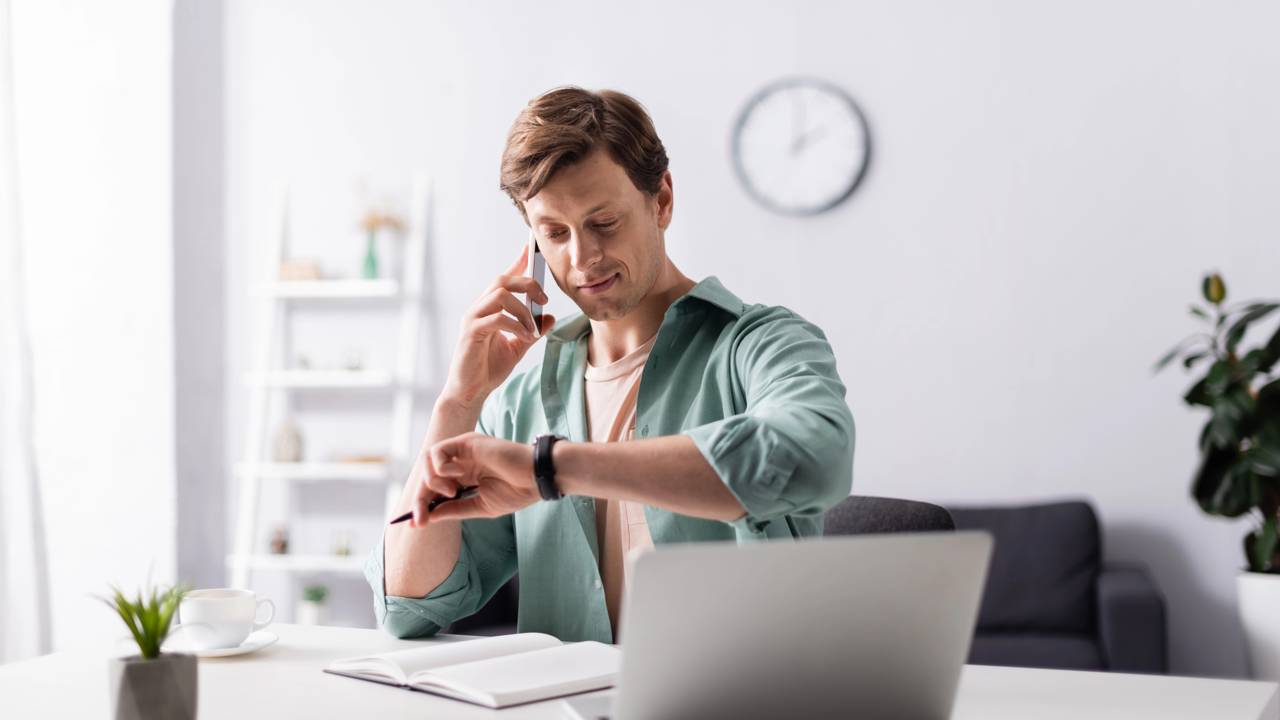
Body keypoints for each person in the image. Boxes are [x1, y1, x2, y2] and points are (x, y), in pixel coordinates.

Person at [366, 87, 854, 643]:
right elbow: (406, 608)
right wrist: (458, 402)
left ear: (661, 200)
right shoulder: (522, 400)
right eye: (554, 233)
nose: (582, 258)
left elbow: (813, 459)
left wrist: (553, 468)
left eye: (604, 222)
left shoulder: (762, 345)